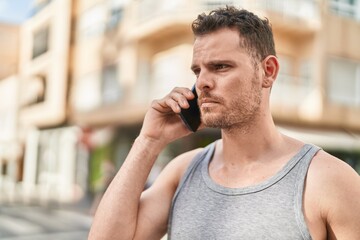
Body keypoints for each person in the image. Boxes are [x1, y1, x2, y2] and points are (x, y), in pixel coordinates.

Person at [88, 6, 360, 240]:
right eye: (198, 70)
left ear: (268, 71)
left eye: (220, 67)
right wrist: (148, 142)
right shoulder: (182, 172)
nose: (202, 82)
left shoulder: (329, 180)